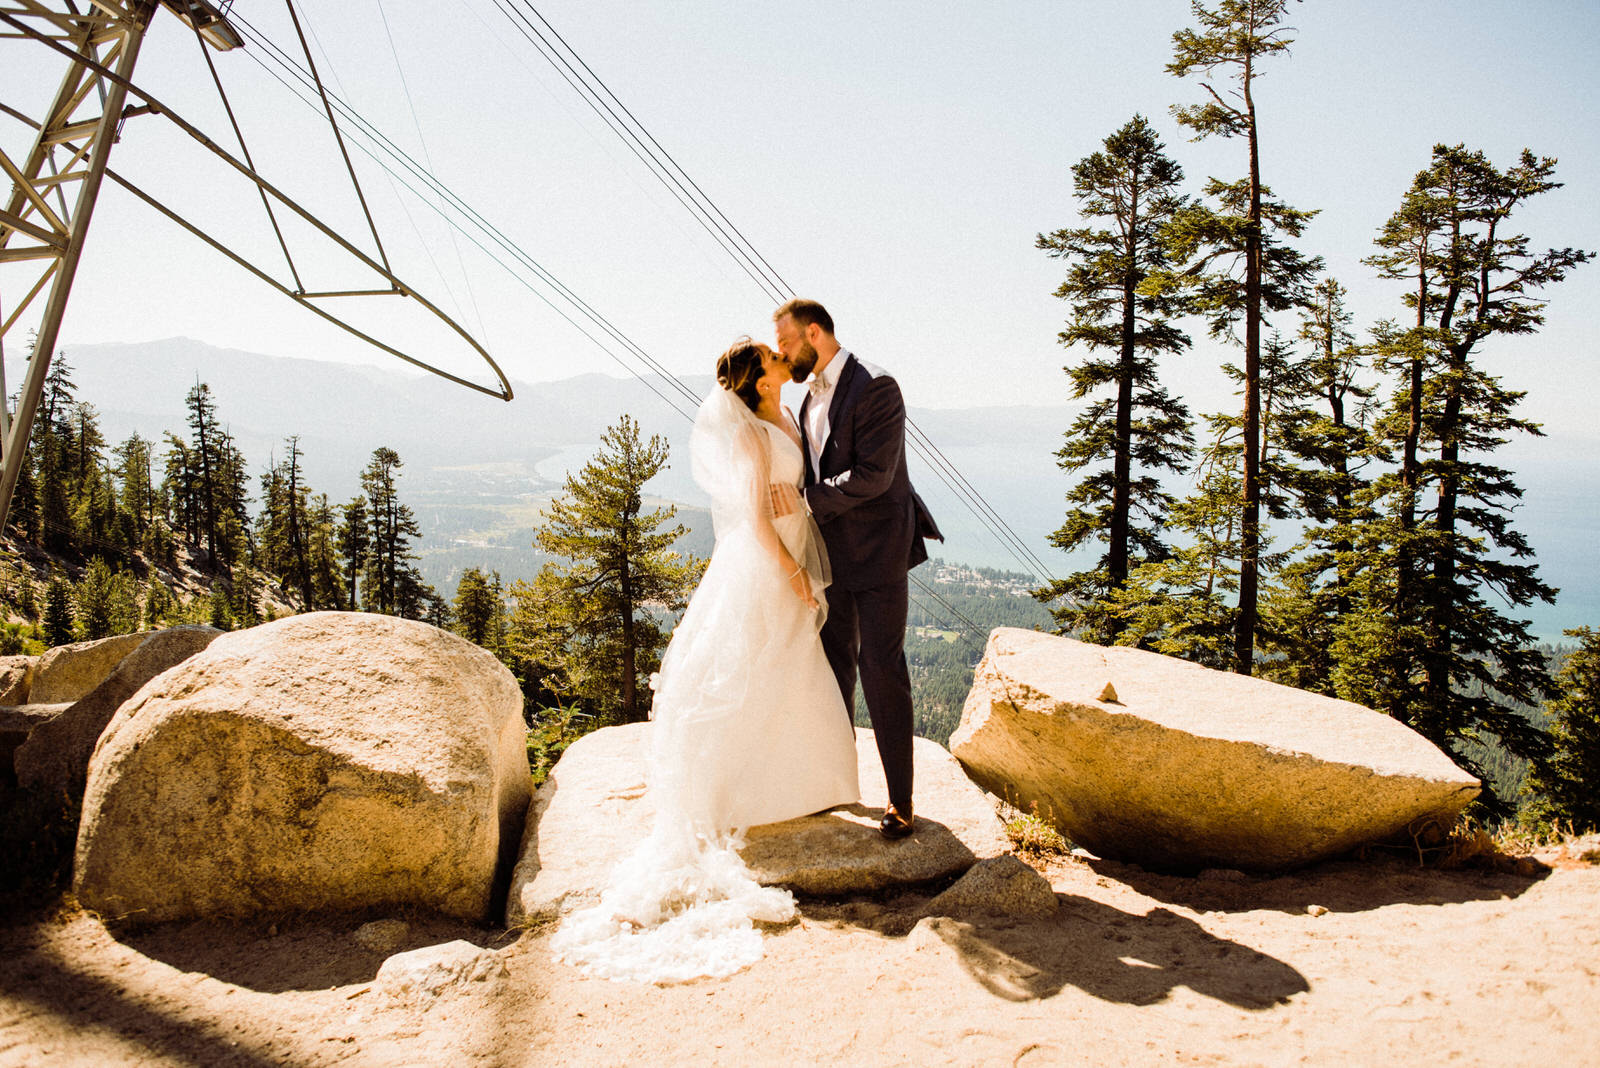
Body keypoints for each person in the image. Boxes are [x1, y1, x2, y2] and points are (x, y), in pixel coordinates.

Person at [551, 338, 859, 983]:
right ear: (757, 376)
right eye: (774, 358)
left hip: (796, 536)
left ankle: (806, 780)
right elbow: (751, 516)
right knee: (753, 663)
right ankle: (742, 787)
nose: (784, 360)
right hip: (766, 559)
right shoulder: (748, 431)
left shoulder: (785, 414)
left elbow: (793, 484)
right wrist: (794, 574)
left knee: (789, 665)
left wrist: (802, 511)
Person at [774, 298, 941, 840]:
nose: (783, 355)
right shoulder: (805, 400)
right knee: (834, 670)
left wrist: (803, 503)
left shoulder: (877, 386)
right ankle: (837, 783)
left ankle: (901, 801)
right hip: (830, 556)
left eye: (786, 344)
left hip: (879, 552)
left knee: (882, 671)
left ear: (814, 333)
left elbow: (873, 475)